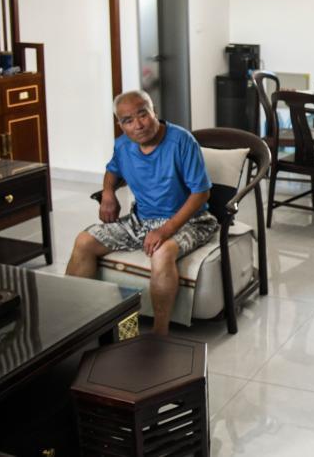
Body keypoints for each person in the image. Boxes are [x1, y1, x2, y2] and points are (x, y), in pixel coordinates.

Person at [65, 90, 217, 335]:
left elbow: (201, 193)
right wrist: (108, 193)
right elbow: (112, 170)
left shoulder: (182, 141)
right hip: (141, 220)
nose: (138, 125)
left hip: (191, 221)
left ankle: (159, 334)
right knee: (84, 241)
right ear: (121, 125)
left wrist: (165, 230)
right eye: (128, 120)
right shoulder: (123, 145)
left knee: (162, 252)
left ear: (154, 111)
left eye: (142, 114)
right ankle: (77, 323)